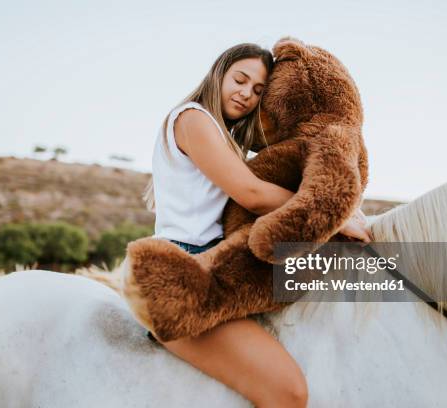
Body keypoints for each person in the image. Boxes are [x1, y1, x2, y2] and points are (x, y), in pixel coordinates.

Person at [143, 42, 372, 408]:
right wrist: (336, 215)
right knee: (289, 392)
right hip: (184, 272)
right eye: (240, 79)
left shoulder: (229, 139)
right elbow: (251, 193)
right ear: (218, 74)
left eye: (258, 90)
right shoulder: (192, 118)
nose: (246, 94)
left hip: (219, 264)